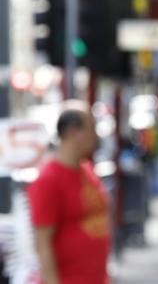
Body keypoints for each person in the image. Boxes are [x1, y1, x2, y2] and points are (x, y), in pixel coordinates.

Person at [28, 108, 111, 284]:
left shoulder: (86, 170)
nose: (96, 136)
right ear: (73, 132)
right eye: (91, 128)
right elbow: (42, 244)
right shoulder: (48, 181)